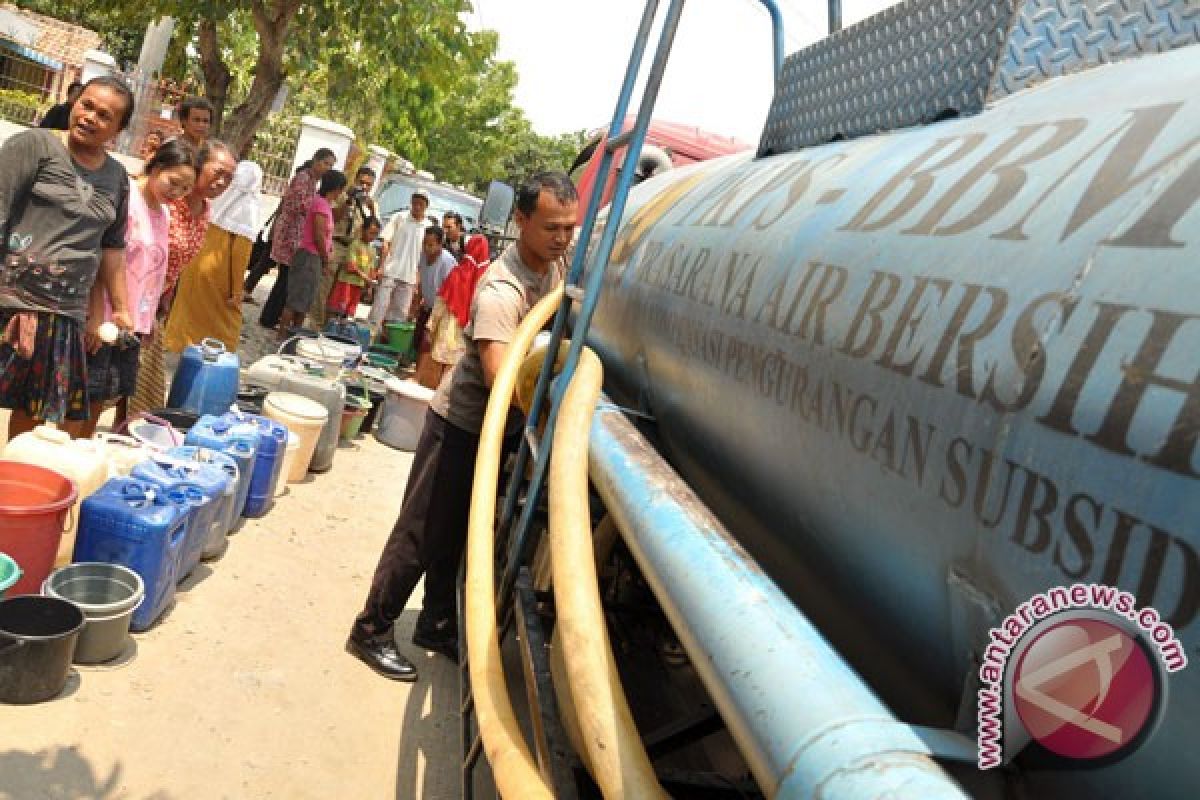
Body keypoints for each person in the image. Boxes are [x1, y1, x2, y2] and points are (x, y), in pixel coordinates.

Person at [346, 171, 578, 682]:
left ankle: (434, 623)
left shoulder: (555, 267)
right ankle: (370, 629)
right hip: (463, 425)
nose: (562, 238)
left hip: (501, 431)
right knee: (422, 532)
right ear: (520, 221)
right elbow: (501, 380)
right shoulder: (500, 288)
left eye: (569, 227)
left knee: (458, 532)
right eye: (552, 227)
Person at [0, 76, 136, 439]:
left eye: (104, 115)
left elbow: (111, 246)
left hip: (64, 310)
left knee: (33, 410)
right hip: (11, 300)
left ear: (118, 129)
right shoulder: (35, 145)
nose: (90, 117)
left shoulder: (116, 177)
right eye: (86, 105)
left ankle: (11, 484)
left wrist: (120, 307)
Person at [64, 138, 197, 438]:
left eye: (184, 189)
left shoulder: (164, 213)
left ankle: (82, 457)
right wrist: (96, 316)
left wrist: (145, 323)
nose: (176, 193)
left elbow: (153, 271)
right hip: (104, 318)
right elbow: (101, 257)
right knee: (79, 400)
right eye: (173, 182)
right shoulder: (126, 198)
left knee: (100, 398)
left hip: (128, 325)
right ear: (157, 166)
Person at [128, 139, 236, 416]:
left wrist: (165, 299)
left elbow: (177, 263)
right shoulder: (167, 203)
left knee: (140, 379)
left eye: (229, 178)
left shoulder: (205, 210)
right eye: (217, 172)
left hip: (157, 300)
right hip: (130, 294)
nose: (221, 182)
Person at [163, 160, 263, 353]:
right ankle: (217, 353)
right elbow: (240, 255)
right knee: (226, 320)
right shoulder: (248, 210)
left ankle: (178, 341)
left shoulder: (211, 201)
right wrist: (236, 291)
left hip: (193, 265)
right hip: (220, 273)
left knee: (188, 307)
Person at [261, 150, 336, 330]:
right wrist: (320, 205)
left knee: (288, 278)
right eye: (326, 163)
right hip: (290, 232)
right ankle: (270, 317)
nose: (327, 168)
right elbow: (298, 204)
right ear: (315, 160)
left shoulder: (314, 182)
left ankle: (273, 316)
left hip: (299, 233)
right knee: (286, 278)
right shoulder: (303, 178)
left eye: (331, 166)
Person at [311, 165, 377, 328]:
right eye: (361, 182)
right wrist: (349, 202)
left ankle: (330, 326)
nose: (364, 187)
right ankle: (315, 324)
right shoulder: (341, 197)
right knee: (324, 287)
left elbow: (374, 227)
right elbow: (332, 217)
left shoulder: (371, 204)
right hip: (337, 244)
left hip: (355, 249)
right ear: (355, 180)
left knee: (340, 292)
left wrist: (371, 209)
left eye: (368, 184)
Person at [281, 169, 346, 335]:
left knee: (305, 301)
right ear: (337, 188)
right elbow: (319, 235)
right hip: (310, 255)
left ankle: (294, 333)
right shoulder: (321, 205)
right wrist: (325, 258)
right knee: (297, 299)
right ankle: (283, 334)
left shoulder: (323, 204)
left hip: (313, 256)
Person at [424, 233, 491, 386]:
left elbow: (441, 302)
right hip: (468, 334)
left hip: (447, 330)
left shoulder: (457, 273)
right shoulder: (487, 281)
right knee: (454, 374)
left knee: (439, 371)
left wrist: (430, 326)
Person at [369, 191, 430, 333]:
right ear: (411, 202)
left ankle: (390, 343)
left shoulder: (427, 226)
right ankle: (371, 336)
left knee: (400, 313)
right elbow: (386, 243)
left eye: (421, 204)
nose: (417, 207)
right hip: (391, 270)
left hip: (409, 276)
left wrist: (419, 278)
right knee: (379, 307)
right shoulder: (399, 217)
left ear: (426, 206)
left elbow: (425, 255)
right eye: (415, 203)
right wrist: (382, 266)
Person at [413, 225, 458, 388]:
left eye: (431, 245)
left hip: (441, 310)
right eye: (425, 244)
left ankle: (423, 379)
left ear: (440, 245)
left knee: (430, 344)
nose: (427, 248)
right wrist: (417, 301)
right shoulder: (423, 257)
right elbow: (421, 278)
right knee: (419, 342)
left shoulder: (447, 261)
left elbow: (451, 289)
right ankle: (418, 375)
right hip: (427, 305)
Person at [327, 216, 380, 320]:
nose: (373, 236)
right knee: (338, 309)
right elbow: (350, 266)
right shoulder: (354, 244)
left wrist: (369, 286)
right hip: (346, 283)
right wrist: (365, 277)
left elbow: (371, 270)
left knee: (349, 311)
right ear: (363, 229)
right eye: (371, 232)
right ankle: (330, 329)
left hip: (358, 285)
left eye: (375, 234)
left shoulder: (372, 250)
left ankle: (341, 331)